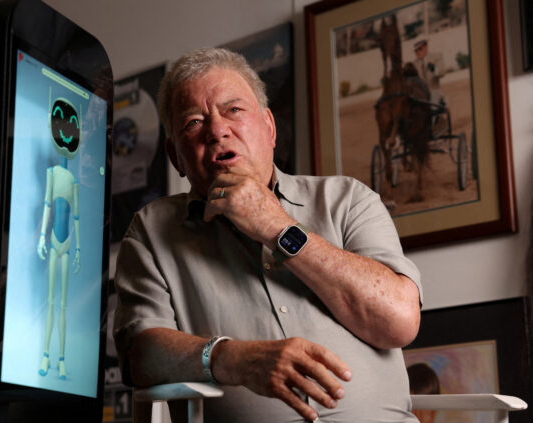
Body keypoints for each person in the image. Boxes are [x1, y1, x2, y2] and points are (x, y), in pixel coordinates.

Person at [113, 47, 422, 422]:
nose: (216, 130)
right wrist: (235, 359)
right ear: (175, 156)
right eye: (193, 122)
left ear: (270, 128)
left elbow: (399, 320)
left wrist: (277, 226)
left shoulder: (347, 199)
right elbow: (140, 356)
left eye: (234, 110)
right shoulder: (151, 230)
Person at [412, 39, 446, 106]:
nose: (417, 52)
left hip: (434, 92)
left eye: (420, 49)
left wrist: (434, 69)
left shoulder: (436, 57)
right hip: (420, 95)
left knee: (433, 107)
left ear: (426, 47)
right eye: (416, 50)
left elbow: (442, 72)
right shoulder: (414, 64)